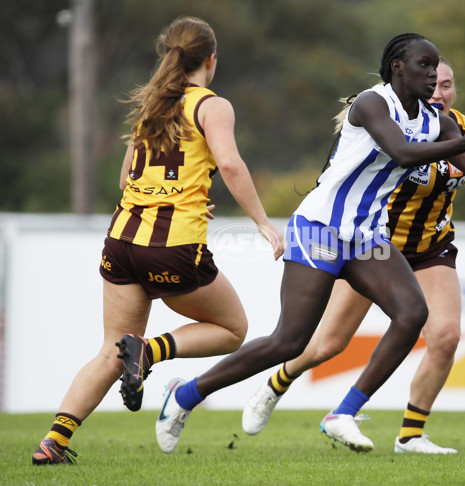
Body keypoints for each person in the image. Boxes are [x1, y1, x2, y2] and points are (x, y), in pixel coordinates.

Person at [153, 33, 465, 455]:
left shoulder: (438, 120)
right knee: (290, 342)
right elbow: (404, 152)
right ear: (397, 69)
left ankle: (344, 413)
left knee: (412, 314)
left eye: (436, 68)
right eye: (424, 66)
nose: (432, 74)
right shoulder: (372, 102)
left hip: (366, 236)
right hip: (320, 228)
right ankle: (186, 395)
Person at [241, 57, 465, 454]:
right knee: (327, 344)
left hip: (431, 247)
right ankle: (277, 383)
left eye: (446, 85)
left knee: (446, 336)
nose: (438, 92)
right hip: (373, 245)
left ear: (455, 91)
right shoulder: (396, 125)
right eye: (432, 84)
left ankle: (409, 435)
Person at [31, 16, 285, 465]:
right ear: (211, 59)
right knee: (233, 331)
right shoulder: (211, 105)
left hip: (121, 240)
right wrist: (263, 222)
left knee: (111, 349)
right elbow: (229, 165)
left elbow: (128, 175)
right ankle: (149, 353)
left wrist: (167, 201)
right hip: (172, 246)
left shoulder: (151, 103)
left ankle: (53, 443)